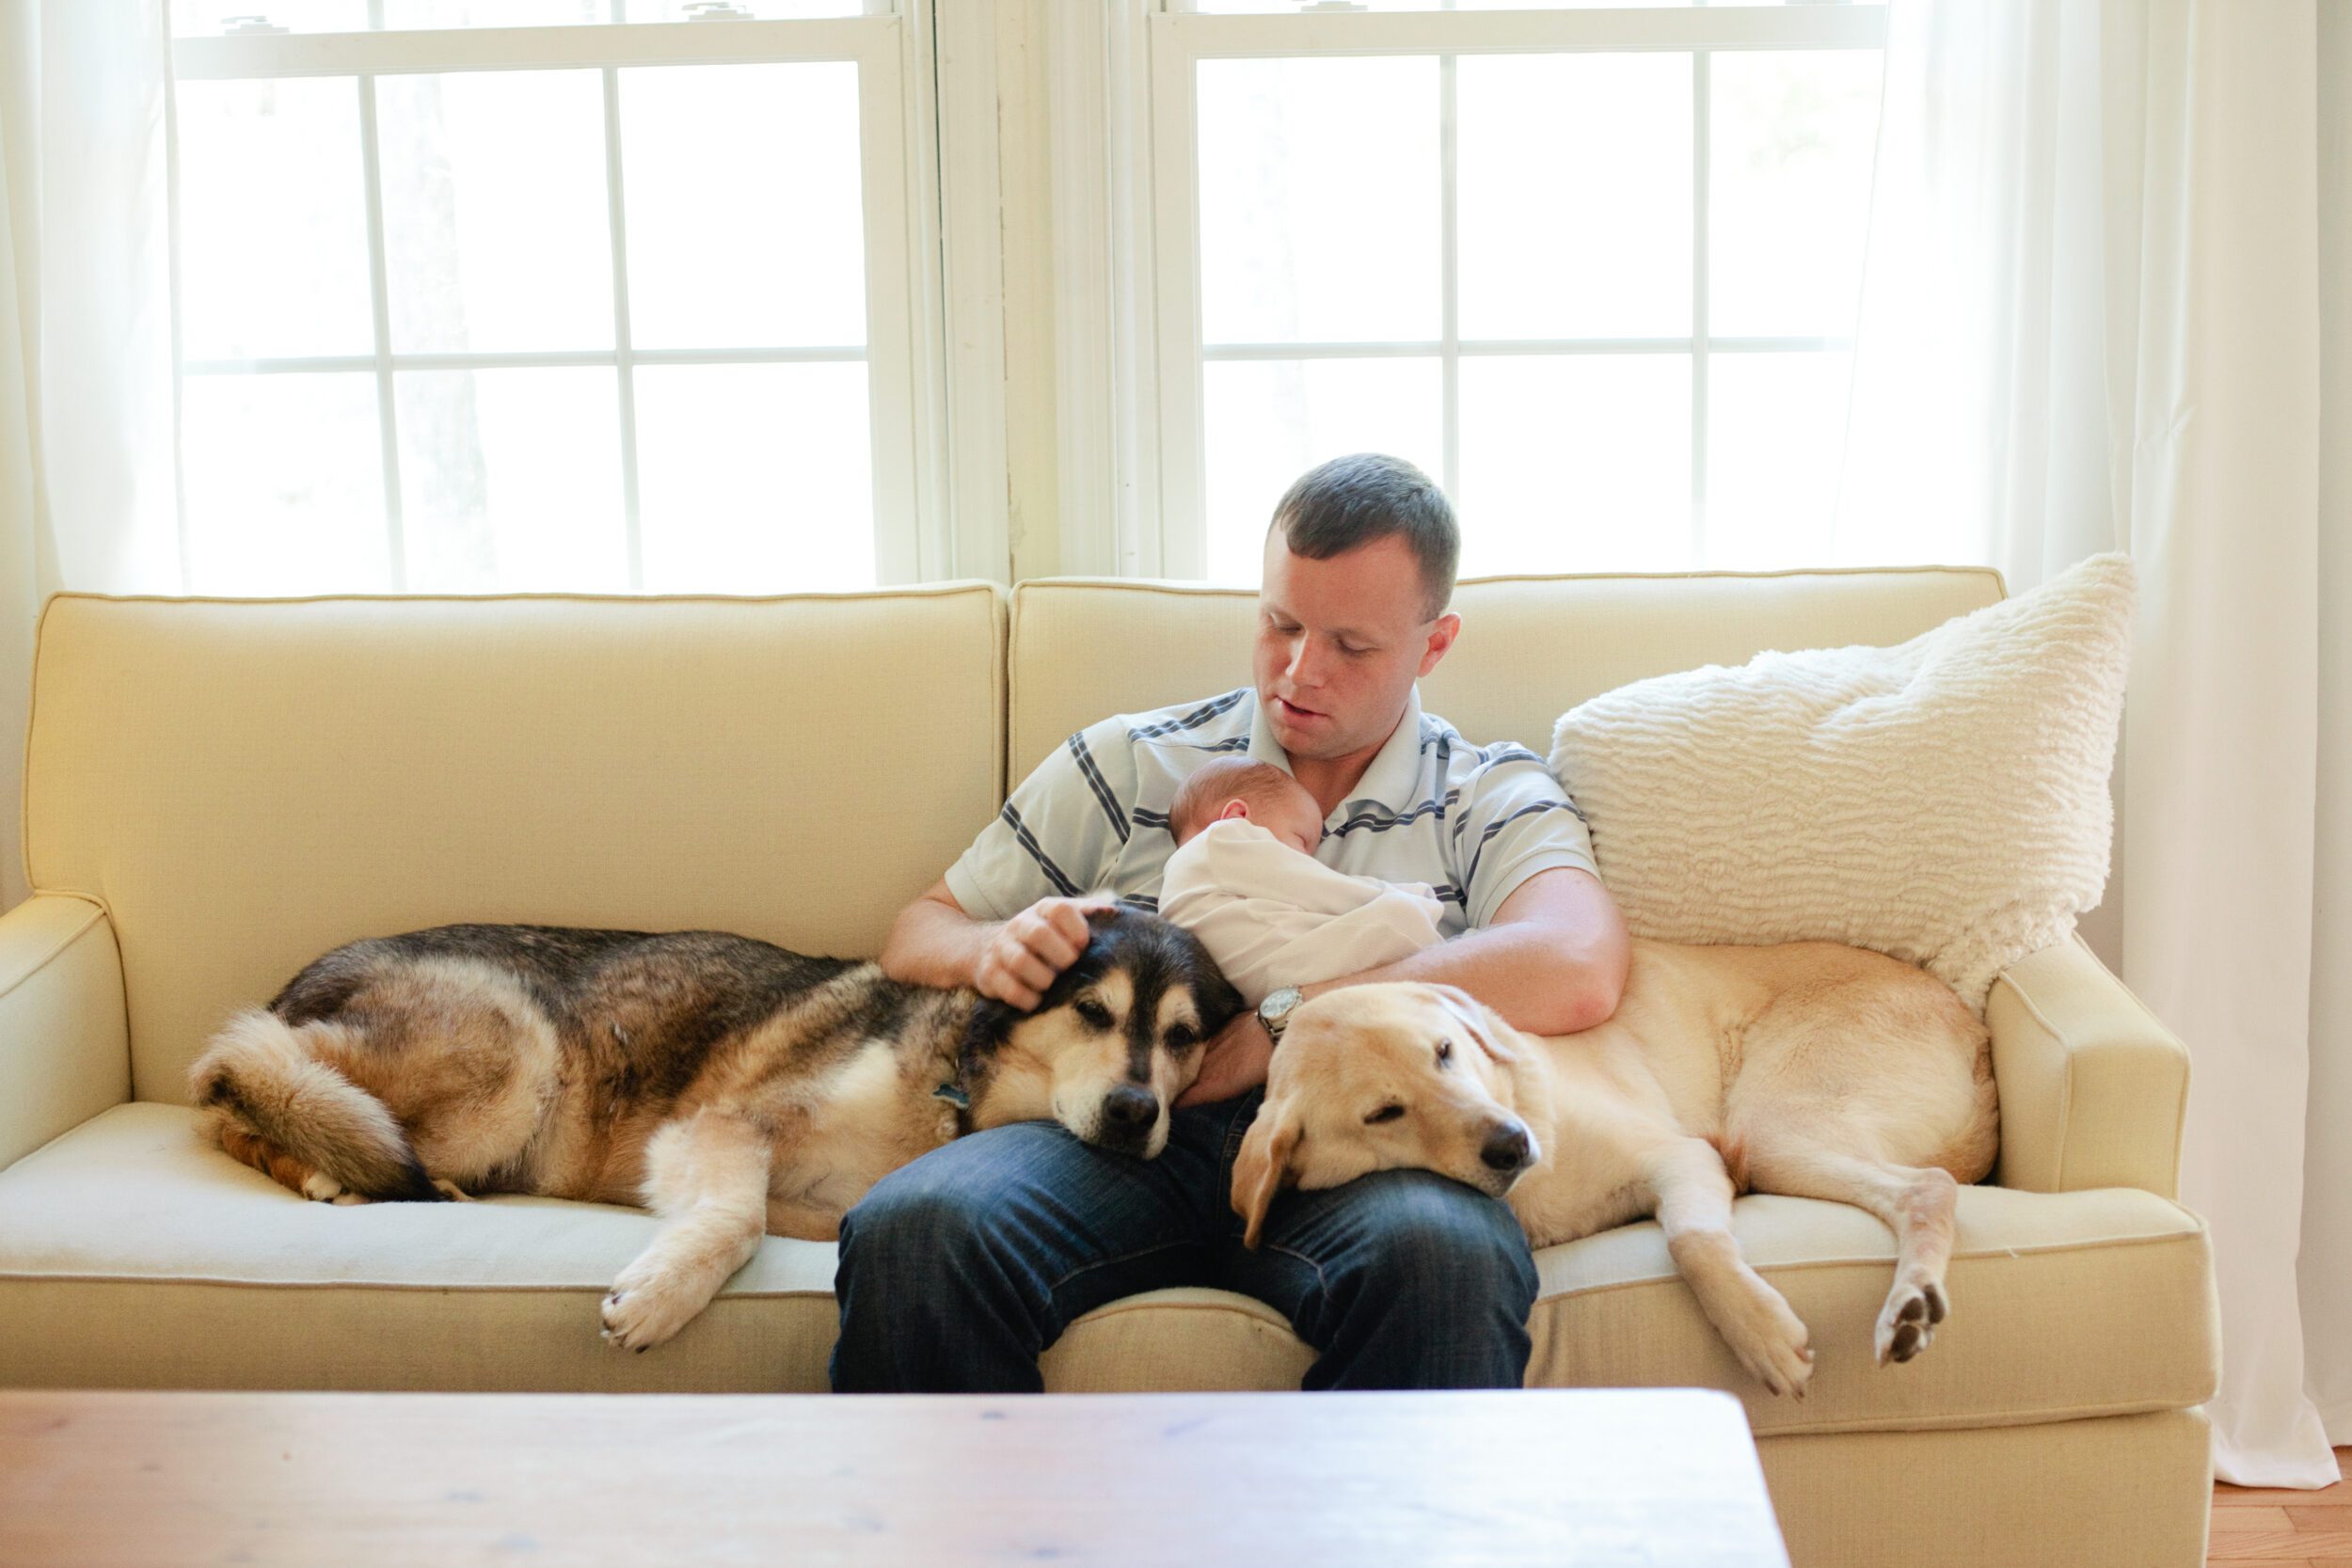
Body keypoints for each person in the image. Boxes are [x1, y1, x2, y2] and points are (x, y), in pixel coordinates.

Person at [831, 451, 1631, 1393]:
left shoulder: (1483, 791)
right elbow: (918, 930)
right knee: (917, 1227)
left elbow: (1578, 959)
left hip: (1355, 1154)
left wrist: (1282, 1019)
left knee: (1447, 1254)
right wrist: (992, 946)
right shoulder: (1133, 761)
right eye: (1280, 623)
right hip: (1110, 1135)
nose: (1299, 670)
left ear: (1434, 642)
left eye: (1350, 644)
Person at [1159, 755, 1448, 1009]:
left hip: (1261, 984)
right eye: (1301, 841)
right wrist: (1408, 895)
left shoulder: (1189, 877)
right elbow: (1321, 888)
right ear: (1237, 816)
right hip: (1284, 971)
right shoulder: (1220, 841)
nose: (1308, 860)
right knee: (1402, 919)